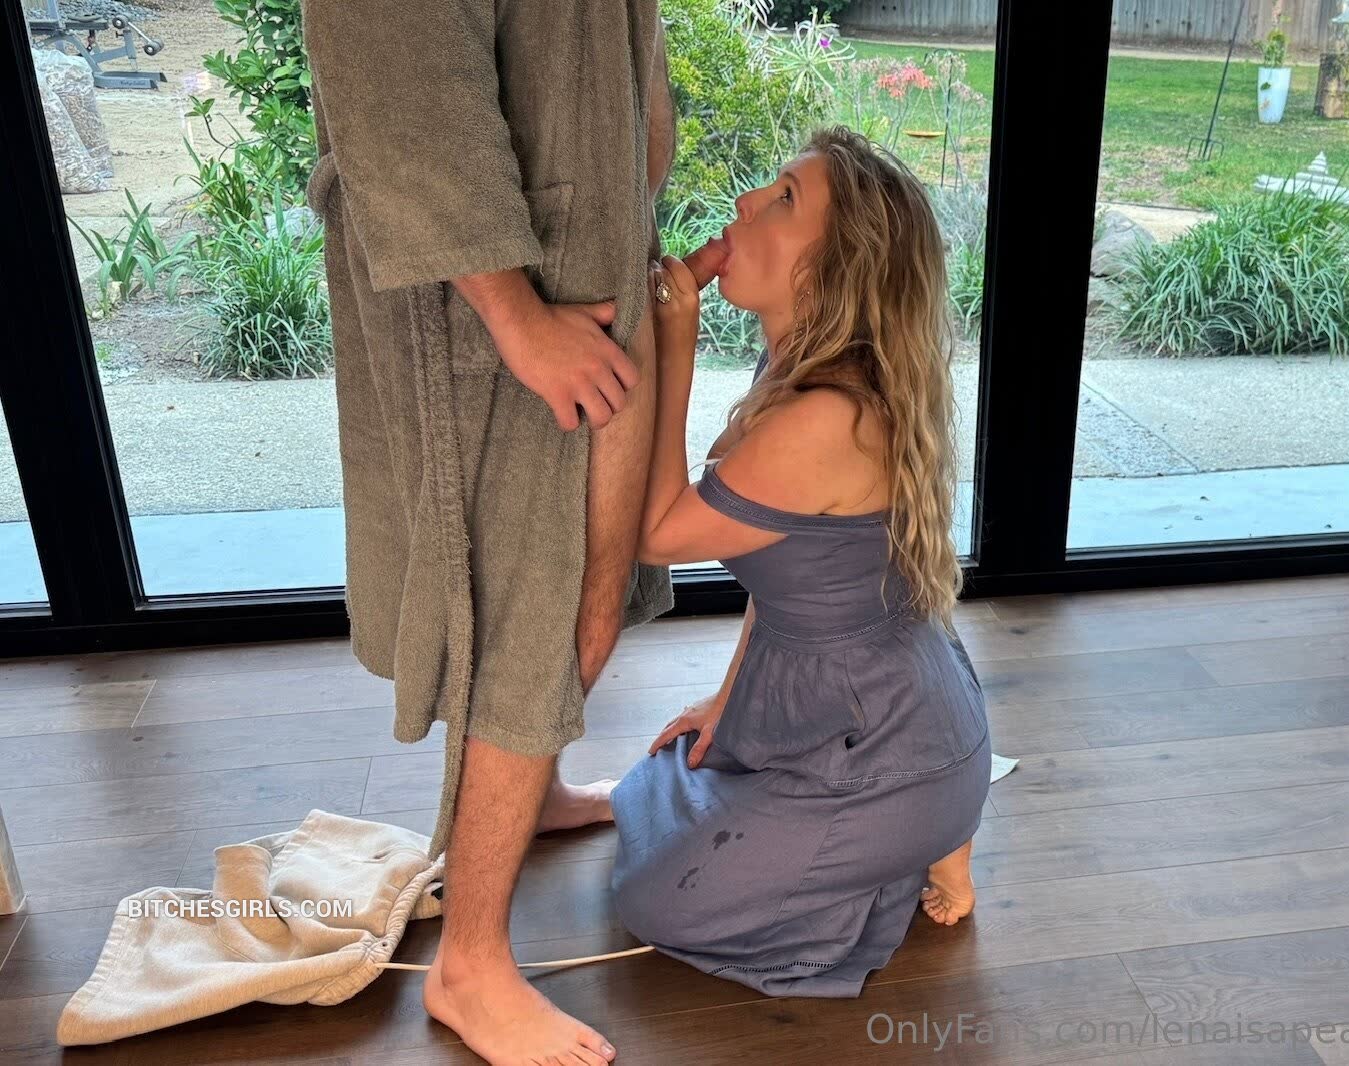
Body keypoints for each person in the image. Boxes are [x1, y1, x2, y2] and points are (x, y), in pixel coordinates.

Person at [301, 1, 683, 1061]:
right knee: (534, 615)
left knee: (583, 585)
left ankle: (537, 793)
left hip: (584, 259)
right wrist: (512, 315)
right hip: (504, 296)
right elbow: (395, 60)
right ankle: (469, 963)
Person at [607, 125, 992, 995]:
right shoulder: (795, 375)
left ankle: (918, 840)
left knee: (654, 900)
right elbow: (785, 570)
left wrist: (672, 341)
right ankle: (924, 832)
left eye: (784, 198)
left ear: (831, 270)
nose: (747, 200)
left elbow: (657, 534)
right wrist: (726, 701)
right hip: (860, 697)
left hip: (887, 739)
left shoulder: (823, 415)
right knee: (661, 773)